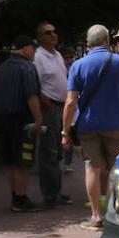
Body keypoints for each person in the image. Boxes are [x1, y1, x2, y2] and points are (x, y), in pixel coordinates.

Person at [63, 24, 119, 230]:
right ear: (107, 40)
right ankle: (115, 214)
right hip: (115, 123)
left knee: (92, 167)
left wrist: (65, 130)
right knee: (117, 168)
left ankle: (96, 216)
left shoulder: (78, 66)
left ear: (88, 43)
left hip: (87, 125)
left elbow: (70, 102)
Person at [0, 35, 45, 212]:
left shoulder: (0, 69)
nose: (34, 53)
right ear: (26, 48)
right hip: (22, 120)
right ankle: (22, 198)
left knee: (10, 161)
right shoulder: (27, 68)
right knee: (23, 161)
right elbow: (32, 96)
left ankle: (15, 197)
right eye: (33, 49)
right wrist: (38, 119)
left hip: (1, 119)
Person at [32, 21, 71, 206]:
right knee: (48, 152)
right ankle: (49, 195)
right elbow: (34, 85)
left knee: (57, 152)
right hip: (50, 109)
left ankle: (56, 191)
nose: (53, 35)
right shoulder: (39, 57)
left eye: (54, 31)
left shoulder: (56, 55)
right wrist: (46, 103)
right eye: (48, 33)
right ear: (40, 38)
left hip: (61, 108)